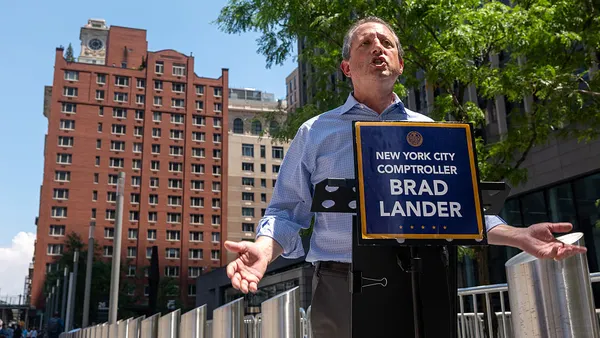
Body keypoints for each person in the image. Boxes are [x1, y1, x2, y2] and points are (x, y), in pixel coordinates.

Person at [224, 16, 587, 338]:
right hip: (340, 288)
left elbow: (457, 210)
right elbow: (286, 212)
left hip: (423, 285)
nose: (377, 48)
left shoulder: (430, 130)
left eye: (386, 43)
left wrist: (518, 236)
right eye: (365, 43)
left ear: (399, 63)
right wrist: (263, 250)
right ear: (347, 67)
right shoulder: (315, 132)